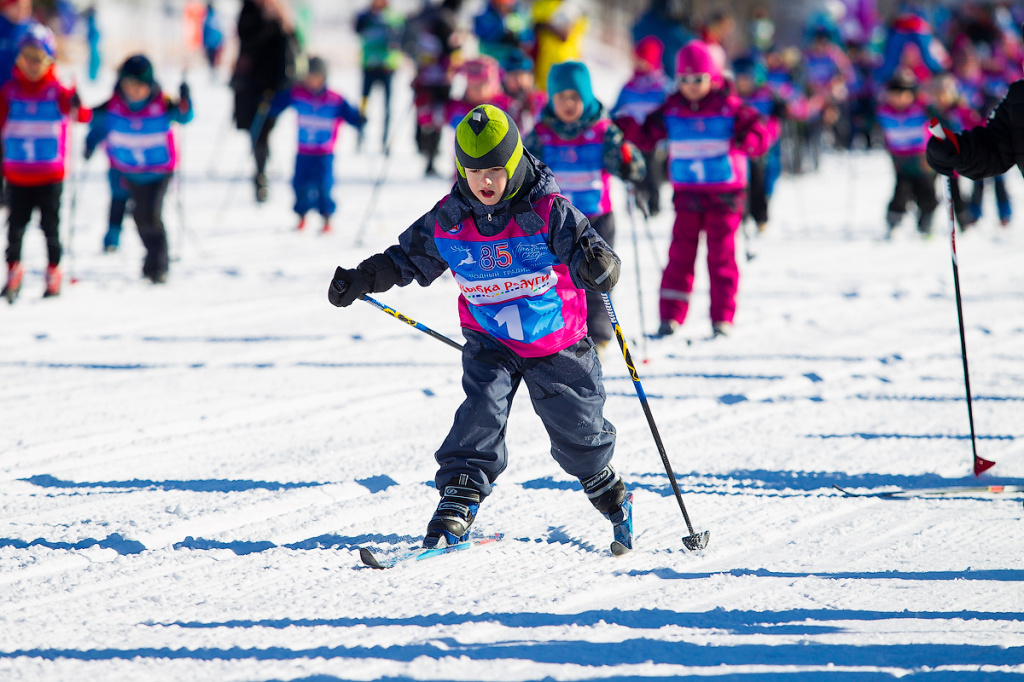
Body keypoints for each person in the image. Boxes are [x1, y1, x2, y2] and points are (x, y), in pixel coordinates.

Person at [327, 104, 630, 550]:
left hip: (556, 340)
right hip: (491, 338)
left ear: (512, 163)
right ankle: (459, 495)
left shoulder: (547, 211)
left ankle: (606, 488)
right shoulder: (451, 218)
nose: (484, 182)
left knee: (577, 431)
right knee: (481, 409)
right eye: (472, 171)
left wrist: (598, 266)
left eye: (494, 170)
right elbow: (406, 257)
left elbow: (590, 249)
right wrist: (361, 279)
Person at [618, 41, 777, 339]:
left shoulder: (728, 106)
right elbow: (649, 135)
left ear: (713, 77)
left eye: (698, 79)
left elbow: (758, 128)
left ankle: (722, 318)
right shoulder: (672, 107)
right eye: (684, 80)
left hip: (725, 196)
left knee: (721, 258)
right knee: (680, 255)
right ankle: (671, 316)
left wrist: (753, 139)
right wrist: (628, 128)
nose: (691, 86)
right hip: (687, 196)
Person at [525, 60, 644, 352]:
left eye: (575, 98)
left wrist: (628, 162)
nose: (568, 104)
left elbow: (632, 165)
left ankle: (600, 334)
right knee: (559, 278)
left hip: (596, 218)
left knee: (597, 275)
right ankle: (564, 333)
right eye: (561, 98)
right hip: (556, 221)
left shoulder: (603, 131)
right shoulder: (542, 133)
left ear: (587, 97)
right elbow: (525, 168)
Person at [84, 55, 192, 284]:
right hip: (129, 170)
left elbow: (184, 116)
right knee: (139, 216)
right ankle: (150, 261)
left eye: (139, 87)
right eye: (129, 86)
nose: (134, 92)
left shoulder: (162, 103)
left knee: (151, 214)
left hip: (158, 171)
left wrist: (186, 98)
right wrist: (89, 143)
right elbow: (95, 121)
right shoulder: (113, 105)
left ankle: (159, 264)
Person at [0, 25, 89, 303]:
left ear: (50, 60)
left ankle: (53, 271)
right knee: (15, 226)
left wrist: (76, 101)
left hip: (50, 172)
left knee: (50, 225)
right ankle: (13, 271)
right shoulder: (10, 90)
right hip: (17, 172)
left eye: (38, 58)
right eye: (26, 57)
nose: (32, 65)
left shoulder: (58, 90)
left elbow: (81, 116)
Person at [267, 57, 365, 233]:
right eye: (308, 76)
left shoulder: (334, 99)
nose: (311, 80)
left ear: (323, 77)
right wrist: (270, 100)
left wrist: (360, 118)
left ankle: (326, 217)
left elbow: (351, 116)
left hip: (324, 153)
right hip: (304, 151)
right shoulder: (298, 93)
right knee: (300, 184)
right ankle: (301, 216)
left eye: (316, 76)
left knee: (323, 185)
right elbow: (277, 105)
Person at [230, 0, 296, 203]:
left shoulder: (280, 14)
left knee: (265, 130)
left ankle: (262, 168)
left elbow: (290, 46)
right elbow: (247, 39)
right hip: (250, 84)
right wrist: (266, 21)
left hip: (273, 85)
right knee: (255, 130)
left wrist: (284, 24)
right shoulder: (249, 12)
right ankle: (260, 173)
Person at [611, 35, 671, 217]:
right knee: (632, 169)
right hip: (632, 137)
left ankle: (654, 205)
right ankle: (635, 201)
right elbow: (615, 109)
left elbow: (670, 112)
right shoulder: (629, 86)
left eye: (644, 60)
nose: (639, 64)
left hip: (653, 139)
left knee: (651, 170)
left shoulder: (662, 86)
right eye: (637, 60)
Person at [403, 0, 463, 177]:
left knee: (427, 117)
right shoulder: (446, 20)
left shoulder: (422, 18)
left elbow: (410, 46)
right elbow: (451, 51)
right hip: (436, 81)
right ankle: (428, 153)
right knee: (434, 119)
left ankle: (427, 152)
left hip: (428, 79)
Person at [876, 72, 937, 239]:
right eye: (894, 95)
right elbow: (873, 123)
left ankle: (926, 223)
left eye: (904, 95)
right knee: (901, 192)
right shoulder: (884, 111)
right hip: (901, 160)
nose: (899, 99)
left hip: (924, 160)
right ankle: (893, 222)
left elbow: (940, 119)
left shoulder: (921, 109)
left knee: (926, 192)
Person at [929, 73, 983, 230]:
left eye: (943, 94)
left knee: (955, 191)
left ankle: (962, 219)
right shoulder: (932, 113)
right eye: (936, 95)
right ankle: (927, 219)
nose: (940, 99)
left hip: (956, 158)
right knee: (929, 189)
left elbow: (976, 127)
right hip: (935, 157)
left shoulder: (961, 110)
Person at [355, 0, 404, 152]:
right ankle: (360, 137)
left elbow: (401, 37)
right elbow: (357, 29)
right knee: (364, 102)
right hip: (369, 65)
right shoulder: (365, 15)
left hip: (387, 67)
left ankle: (385, 141)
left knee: (387, 106)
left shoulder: (394, 16)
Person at [531, 0, 587, 92]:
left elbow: (573, 34)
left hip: (569, 63)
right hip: (545, 64)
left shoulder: (577, 6)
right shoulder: (542, 5)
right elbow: (535, 28)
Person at [473, 0, 533, 67]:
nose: (506, 7)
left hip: (512, 61)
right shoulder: (485, 15)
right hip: (491, 59)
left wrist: (520, 36)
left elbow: (528, 38)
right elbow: (485, 35)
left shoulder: (518, 15)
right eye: (502, 4)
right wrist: (502, 27)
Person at [500, 49, 545, 136]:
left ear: (531, 78)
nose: (519, 81)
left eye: (522, 76)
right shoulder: (499, 105)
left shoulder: (542, 102)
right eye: (514, 76)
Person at [201, 1, 224, 74]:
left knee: (211, 59)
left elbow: (205, 31)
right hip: (215, 42)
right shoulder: (214, 16)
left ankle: (213, 72)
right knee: (213, 59)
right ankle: (213, 72)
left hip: (212, 42)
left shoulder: (208, 17)